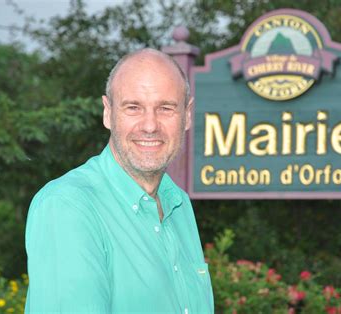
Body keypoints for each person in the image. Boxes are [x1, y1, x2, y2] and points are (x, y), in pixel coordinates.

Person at [24, 48, 214, 313]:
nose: (150, 125)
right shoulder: (67, 206)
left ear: (187, 115)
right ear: (108, 112)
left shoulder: (179, 203)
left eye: (166, 108)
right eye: (133, 107)